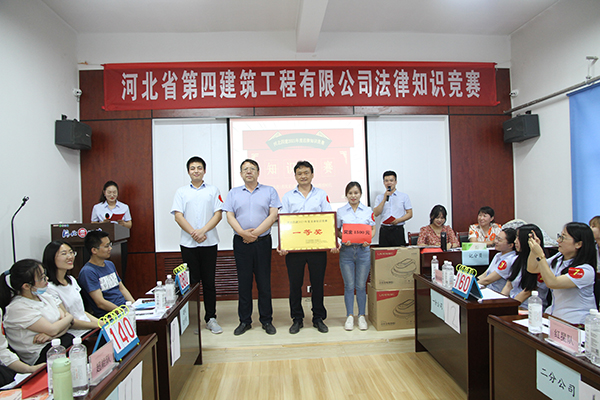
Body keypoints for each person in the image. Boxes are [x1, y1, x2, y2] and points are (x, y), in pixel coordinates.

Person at [222, 159, 281, 336]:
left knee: (264, 283)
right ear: (240, 173)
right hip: (241, 243)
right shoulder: (233, 193)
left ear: (258, 172)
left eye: (252, 169)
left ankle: (266, 320)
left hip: (263, 242)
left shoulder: (269, 191)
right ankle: (245, 321)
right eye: (245, 169)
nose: (249, 171)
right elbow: (230, 216)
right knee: (244, 283)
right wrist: (243, 233)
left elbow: (273, 215)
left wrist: (254, 234)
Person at [278, 161, 338, 334]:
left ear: (312, 174)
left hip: (317, 247)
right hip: (294, 249)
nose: (303, 176)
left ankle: (318, 318)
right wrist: (282, 244)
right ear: (295, 176)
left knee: (318, 284)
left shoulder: (321, 194)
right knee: (294, 285)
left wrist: (333, 241)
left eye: (306, 172)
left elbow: (328, 219)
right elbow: (283, 221)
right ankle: (297, 319)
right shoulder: (288, 197)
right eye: (299, 173)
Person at [171, 156, 223, 335]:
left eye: (199, 168)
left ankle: (211, 318)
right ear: (188, 171)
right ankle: (192, 320)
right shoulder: (181, 192)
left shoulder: (213, 190)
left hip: (209, 242)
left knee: (209, 282)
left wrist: (202, 231)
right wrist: (194, 233)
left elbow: (218, 214)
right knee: (191, 284)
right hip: (188, 244)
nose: (196, 171)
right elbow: (178, 216)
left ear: (204, 171)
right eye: (192, 168)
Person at [0, 259, 77, 365]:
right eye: (42, 278)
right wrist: (67, 319)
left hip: (58, 342)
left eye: (45, 275)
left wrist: (52, 336)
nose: (47, 279)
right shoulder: (18, 307)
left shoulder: (44, 296)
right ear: (26, 286)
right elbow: (54, 328)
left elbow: (67, 323)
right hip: (40, 355)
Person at [527, 222, 597, 325]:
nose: (558, 240)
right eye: (559, 236)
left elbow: (553, 283)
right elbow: (532, 268)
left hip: (576, 322)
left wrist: (540, 255)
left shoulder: (585, 270)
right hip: (556, 316)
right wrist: (534, 250)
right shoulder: (559, 258)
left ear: (578, 244)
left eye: (563, 238)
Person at [336, 182, 376, 331]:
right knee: (349, 285)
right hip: (346, 251)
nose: (353, 196)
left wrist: (369, 239)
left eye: (356, 193)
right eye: (350, 193)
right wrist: (343, 237)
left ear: (360, 194)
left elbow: (373, 228)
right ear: (346, 195)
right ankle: (349, 316)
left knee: (360, 286)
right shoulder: (341, 211)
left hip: (363, 251)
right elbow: (337, 230)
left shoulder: (368, 210)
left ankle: (361, 316)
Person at [43, 240, 99, 335]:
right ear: (51, 258)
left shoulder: (71, 280)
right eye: (64, 254)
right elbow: (69, 321)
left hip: (89, 327)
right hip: (76, 334)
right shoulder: (49, 288)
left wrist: (101, 323)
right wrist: (98, 325)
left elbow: (81, 312)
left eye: (71, 252)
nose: (70, 257)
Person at [78, 231, 135, 318]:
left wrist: (134, 306)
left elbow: (122, 288)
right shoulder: (88, 272)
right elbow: (100, 303)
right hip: (110, 316)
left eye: (110, 245)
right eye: (106, 246)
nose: (110, 248)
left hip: (125, 309)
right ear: (94, 250)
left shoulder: (110, 264)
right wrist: (123, 312)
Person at [501, 224, 549, 308]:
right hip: (513, 303)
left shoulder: (541, 263)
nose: (515, 241)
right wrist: (501, 302)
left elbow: (527, 292)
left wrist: (508, 307)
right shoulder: (518, 259)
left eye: (518, 238)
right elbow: (509, 285)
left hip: (528, 307)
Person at [373, 171, 412, 247]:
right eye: (386, 181)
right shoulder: (379, 197)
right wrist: (384, 199)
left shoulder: (404, 196)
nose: (389, 183)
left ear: (395, 182)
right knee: (384, 253)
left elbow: (410, 213)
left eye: (391, 180)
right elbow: (376, 213)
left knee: (399, 253)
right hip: (384, 230)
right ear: (384, 182)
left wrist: (398, 220)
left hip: (398, 230)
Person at [477, 228, 517, 293]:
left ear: (510, 245)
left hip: (496, 293)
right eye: (496, 238)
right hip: (487, 289)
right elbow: (485, 274)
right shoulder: (498, 255)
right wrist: (473, 280)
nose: (495, 241)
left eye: (499, 240)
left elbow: (487, 280)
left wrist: (472, 285)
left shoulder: (509, 260)